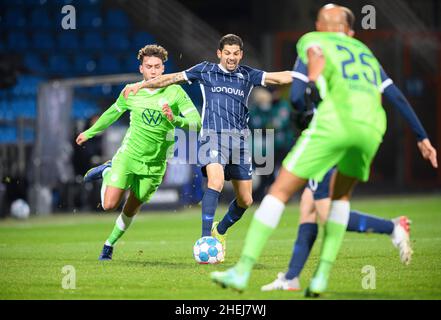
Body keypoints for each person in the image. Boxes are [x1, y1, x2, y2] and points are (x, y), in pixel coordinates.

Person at [210, 4, 438, 296]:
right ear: (349, 31)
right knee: (318, 204)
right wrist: (422, 136)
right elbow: (397, 96)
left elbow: (296, 98)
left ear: (319, 25)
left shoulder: (313, 42)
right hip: (371, 130)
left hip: (331, 129)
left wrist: (306, 108)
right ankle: (302, 278)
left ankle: (243, 271)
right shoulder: (364, 51)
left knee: (293, 196)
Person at [123, 34, 294, 261]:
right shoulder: (205, 70)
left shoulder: (248, 75)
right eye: (227, 53)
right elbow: (171, 78)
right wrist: (142, 84)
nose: (231, 58)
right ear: (219, 53)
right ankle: (205, 239)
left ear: (240, 55)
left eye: (236, 53)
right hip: (212, 136)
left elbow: (280, 78)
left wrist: (308, 75)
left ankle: (219, 230)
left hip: (240, 142)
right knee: (215, 182)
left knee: (246, 200)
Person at [75, 44, 201, 260]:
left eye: (157, 67)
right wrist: (90, 132)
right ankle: (108, 170)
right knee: (109, 205)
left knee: (132, 206)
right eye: (148, 66)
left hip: (156, 164)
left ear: (163, 69)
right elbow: (112, 113)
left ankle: (109, 244)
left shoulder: (176, 91)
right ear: (141, 68)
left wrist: (175, 119)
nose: (153, 71)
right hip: (129, 156)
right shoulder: (131, 91)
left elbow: (197, 123)